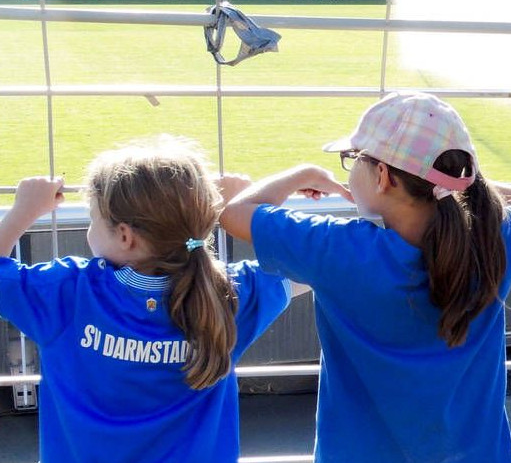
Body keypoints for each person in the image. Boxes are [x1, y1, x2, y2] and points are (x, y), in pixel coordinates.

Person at [219, 91, 511, 462]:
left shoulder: (336, 249)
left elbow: (235, 212)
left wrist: (303, 175)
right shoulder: (496, 240)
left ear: (383, 176)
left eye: (352, 158)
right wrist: (465, 187)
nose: (350, 166)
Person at [0, 137, 296, 462]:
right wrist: (245, 205)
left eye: (93, 218)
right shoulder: (230, 293)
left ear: (125, 236)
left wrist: (22, 212)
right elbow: (310, 265)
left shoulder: (65, 291)